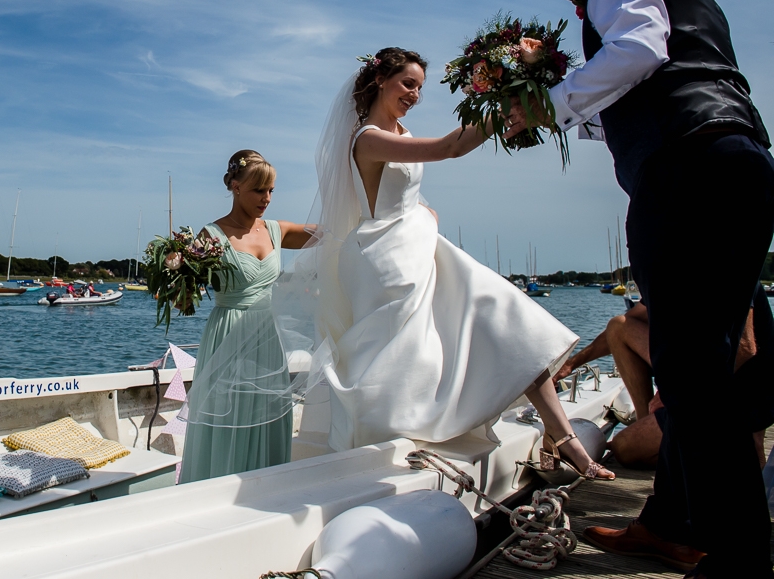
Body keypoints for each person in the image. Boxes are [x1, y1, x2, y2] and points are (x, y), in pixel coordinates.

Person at [510, 0, 774, 577]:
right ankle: (669, 522)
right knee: (703, 363)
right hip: (733, 158)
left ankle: (740, 557)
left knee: (690, 370)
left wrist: (548, 103)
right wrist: (560, 90)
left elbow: (637, 51)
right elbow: (635, 89)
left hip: (687, 171)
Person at [303, 48, 612, 479]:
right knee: (402, 357)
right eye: (407, 83)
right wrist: (505, 103)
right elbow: (449, 147)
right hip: (387, 260)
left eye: (419, 88)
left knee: (505, 315)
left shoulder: (398, 132)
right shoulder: (368, 138)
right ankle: (382, 447)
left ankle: (562, 435)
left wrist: (422, 212)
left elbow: (400, 193)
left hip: (417, 244)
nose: (414, 94)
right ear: (380, 80)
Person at [178, 150, 314, 483]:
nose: (266, 198)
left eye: (271, 190)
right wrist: (180, 275)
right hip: (228, 334)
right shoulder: (211, 236)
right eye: (258, 190)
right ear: (235, 187)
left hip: (267, 338)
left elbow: (332, 232)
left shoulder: (277, 230)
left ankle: (265, 492)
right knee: (229, 419)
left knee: (266, 417)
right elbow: (183, 296)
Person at [555, 291, 767, 469]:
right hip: (701, 379)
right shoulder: (667, 273)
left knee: (624, 447)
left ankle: (728, 452)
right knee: (619, 327)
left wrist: (678, 390)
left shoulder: (727, 265)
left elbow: (744, 350)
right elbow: (632, 318)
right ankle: (648, 423)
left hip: (739, 394)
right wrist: (571, 364)